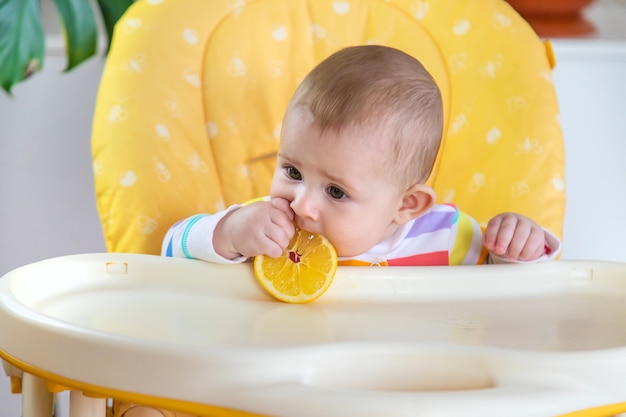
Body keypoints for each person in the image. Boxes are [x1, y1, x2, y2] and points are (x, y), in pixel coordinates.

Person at [162, 45, 560, 266]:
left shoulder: (446, 237)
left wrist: (520, 249)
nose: (302, 203)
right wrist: (228, 233)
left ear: (406, 204)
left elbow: (519, 301)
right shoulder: (265, 229)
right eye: (292, 171)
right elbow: (168, 249)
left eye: (336, 192)